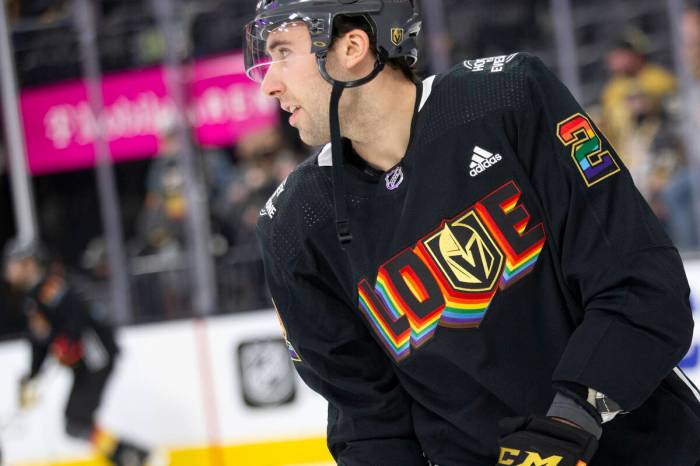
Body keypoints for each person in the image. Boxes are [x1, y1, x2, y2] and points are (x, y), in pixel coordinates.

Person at [247, 1, 700, 465]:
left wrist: (571, 419)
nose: (268, 83)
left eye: (283, 52)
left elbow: (640, 283)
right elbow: (368, 421)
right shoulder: (294, 227)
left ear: (352, 46)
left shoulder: (507, 100)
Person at [2, 238, 149, 466]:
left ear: (28, 264)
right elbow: (39, 341)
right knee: (75, 424)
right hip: (84, 364)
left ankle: (135, 457)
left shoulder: (51, 286)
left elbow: (77, 316)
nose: (7, 270)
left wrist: (67, 342)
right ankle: (132, 456)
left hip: (96, 360)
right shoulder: (32, 298)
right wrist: (33, 377)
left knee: (76, 421)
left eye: (12, 264)